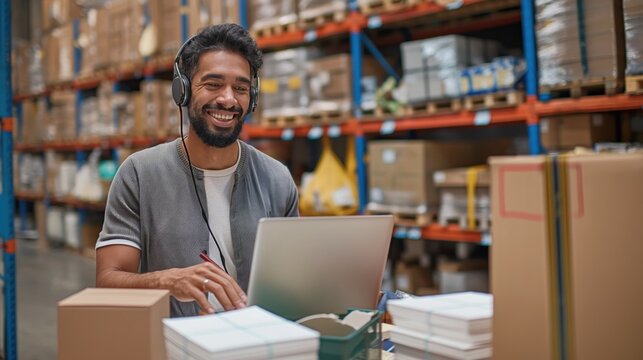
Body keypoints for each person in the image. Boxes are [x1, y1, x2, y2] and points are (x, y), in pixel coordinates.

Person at [95, 24, 299, 317]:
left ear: (251, 98)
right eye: (213, 84)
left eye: (240, 88)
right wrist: (165, 281)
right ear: (184, 90)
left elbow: (294, 280)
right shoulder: (139, 174)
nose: (228, 99)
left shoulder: (277, 179)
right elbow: (107, 282)